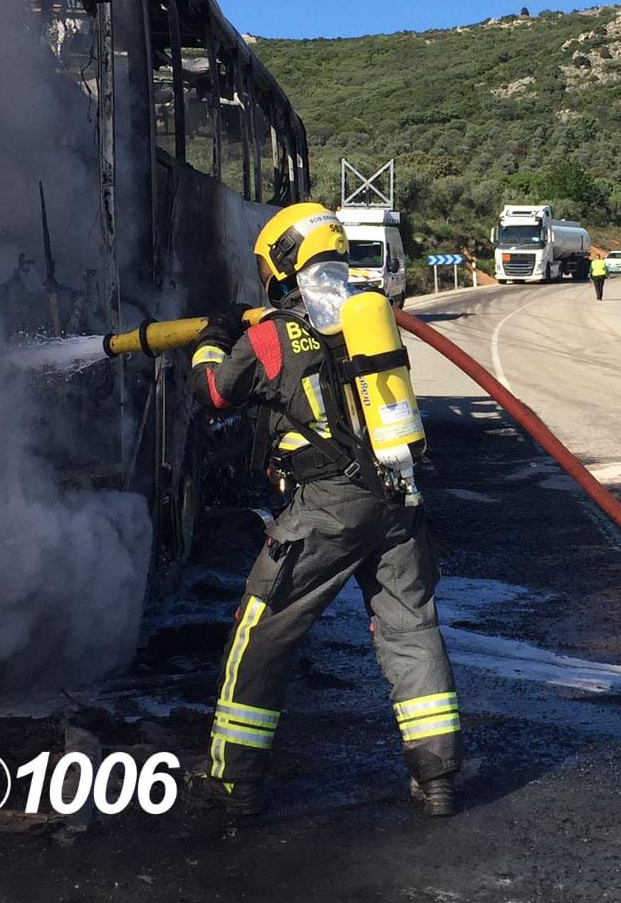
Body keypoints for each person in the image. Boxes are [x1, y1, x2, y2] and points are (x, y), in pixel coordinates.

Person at [184, 202, 463, 819]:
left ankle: (231, 784)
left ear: (281, 263)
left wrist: (211, 338)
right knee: (411, 630)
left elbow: (212, 394)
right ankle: (438, 780)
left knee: (260, 634)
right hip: (400, 499)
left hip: (326, 509)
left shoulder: (270, 334)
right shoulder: (373, 318)